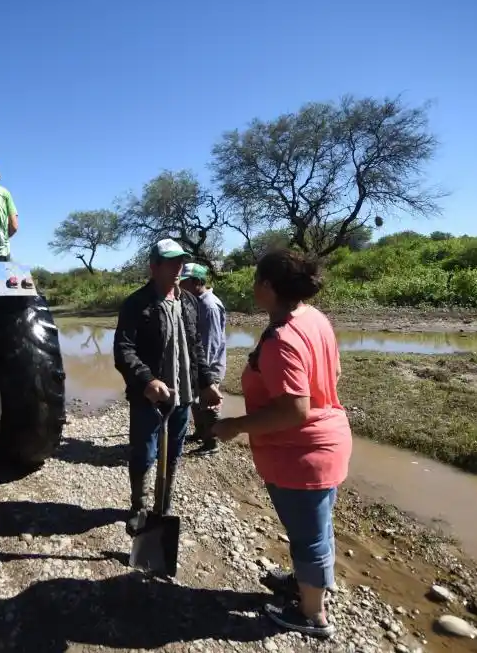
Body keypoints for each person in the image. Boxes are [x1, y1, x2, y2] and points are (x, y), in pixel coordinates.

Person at [210, 249, 352, 640]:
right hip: (328, 441)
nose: (253, 287)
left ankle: (312, 614)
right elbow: (333, 370)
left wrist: (236, 425)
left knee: (310, 533)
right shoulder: (313, 318)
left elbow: (294, 410)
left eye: (256, 281)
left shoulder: (282, 339)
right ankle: (310, 582)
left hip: (303, 454)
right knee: (316, 525)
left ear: (269, 287)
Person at [113, 238, 223, 534]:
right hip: (149, 398)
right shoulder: (137, 304)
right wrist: (147, 380)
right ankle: (139, 506)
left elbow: (196, 345)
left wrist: (207, 383)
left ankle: (164, 504)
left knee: (173, 452)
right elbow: (124, 350)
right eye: (172, 262)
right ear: (154, 267)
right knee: (144, 453)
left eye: (181, 261)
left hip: (183, 395)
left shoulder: (187, 301)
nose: (178, 267)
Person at [178, 262, 227, 455]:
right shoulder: (195, 301)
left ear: (197, 282)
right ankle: (200, 432)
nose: (181, 286)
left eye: (185, 282)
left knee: (209, 403)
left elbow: (211, 342)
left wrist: (203, 373)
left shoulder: (209, 305)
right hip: (198, 364)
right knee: (196, 401)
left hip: (209, 365)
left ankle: (212, 443)